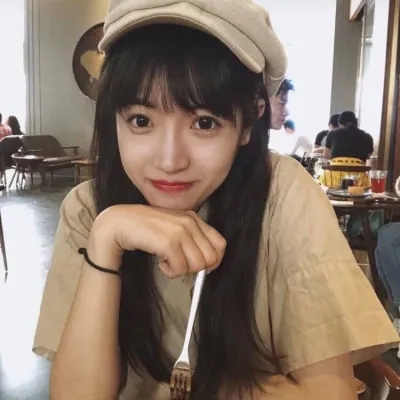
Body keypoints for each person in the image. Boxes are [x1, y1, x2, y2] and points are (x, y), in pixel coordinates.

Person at [33, 1, 398, 399]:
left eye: (204, 123)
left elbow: (330, 393)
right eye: (141, 120)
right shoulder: (89, 210)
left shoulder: (282, 195)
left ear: (249, 122)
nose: (170, 160)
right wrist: (106, 240)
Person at [320, 111, 374, 188]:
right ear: (356, 122)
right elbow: (368, 155)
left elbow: (326, 155)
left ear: (340, 123)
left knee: (321, 180)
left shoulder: (332, 133)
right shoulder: (367, 136)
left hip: (334, 177)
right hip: (358, 179)